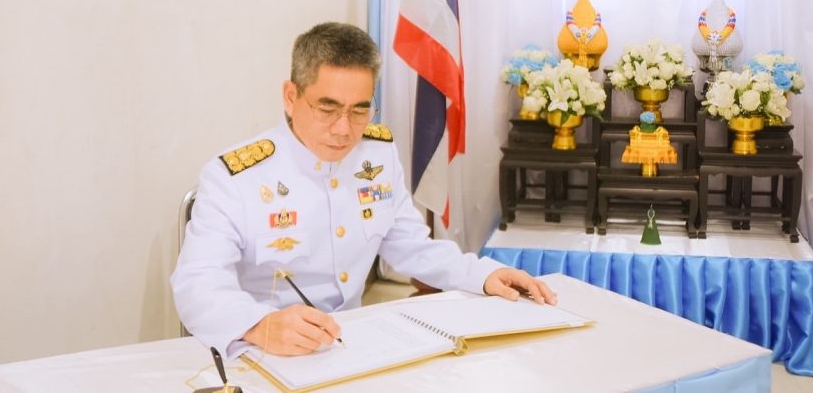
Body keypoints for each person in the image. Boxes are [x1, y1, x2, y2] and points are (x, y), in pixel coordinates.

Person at [172, 22, 556, 359]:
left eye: (359, 110)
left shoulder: (377, 154)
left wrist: (484, 275)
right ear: (290, 97)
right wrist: (259, 325)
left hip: (354, 345)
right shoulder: (235, 177)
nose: (344, 129)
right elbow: (196, 283)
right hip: (265, 352)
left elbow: (409, 246)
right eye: (327, 109)